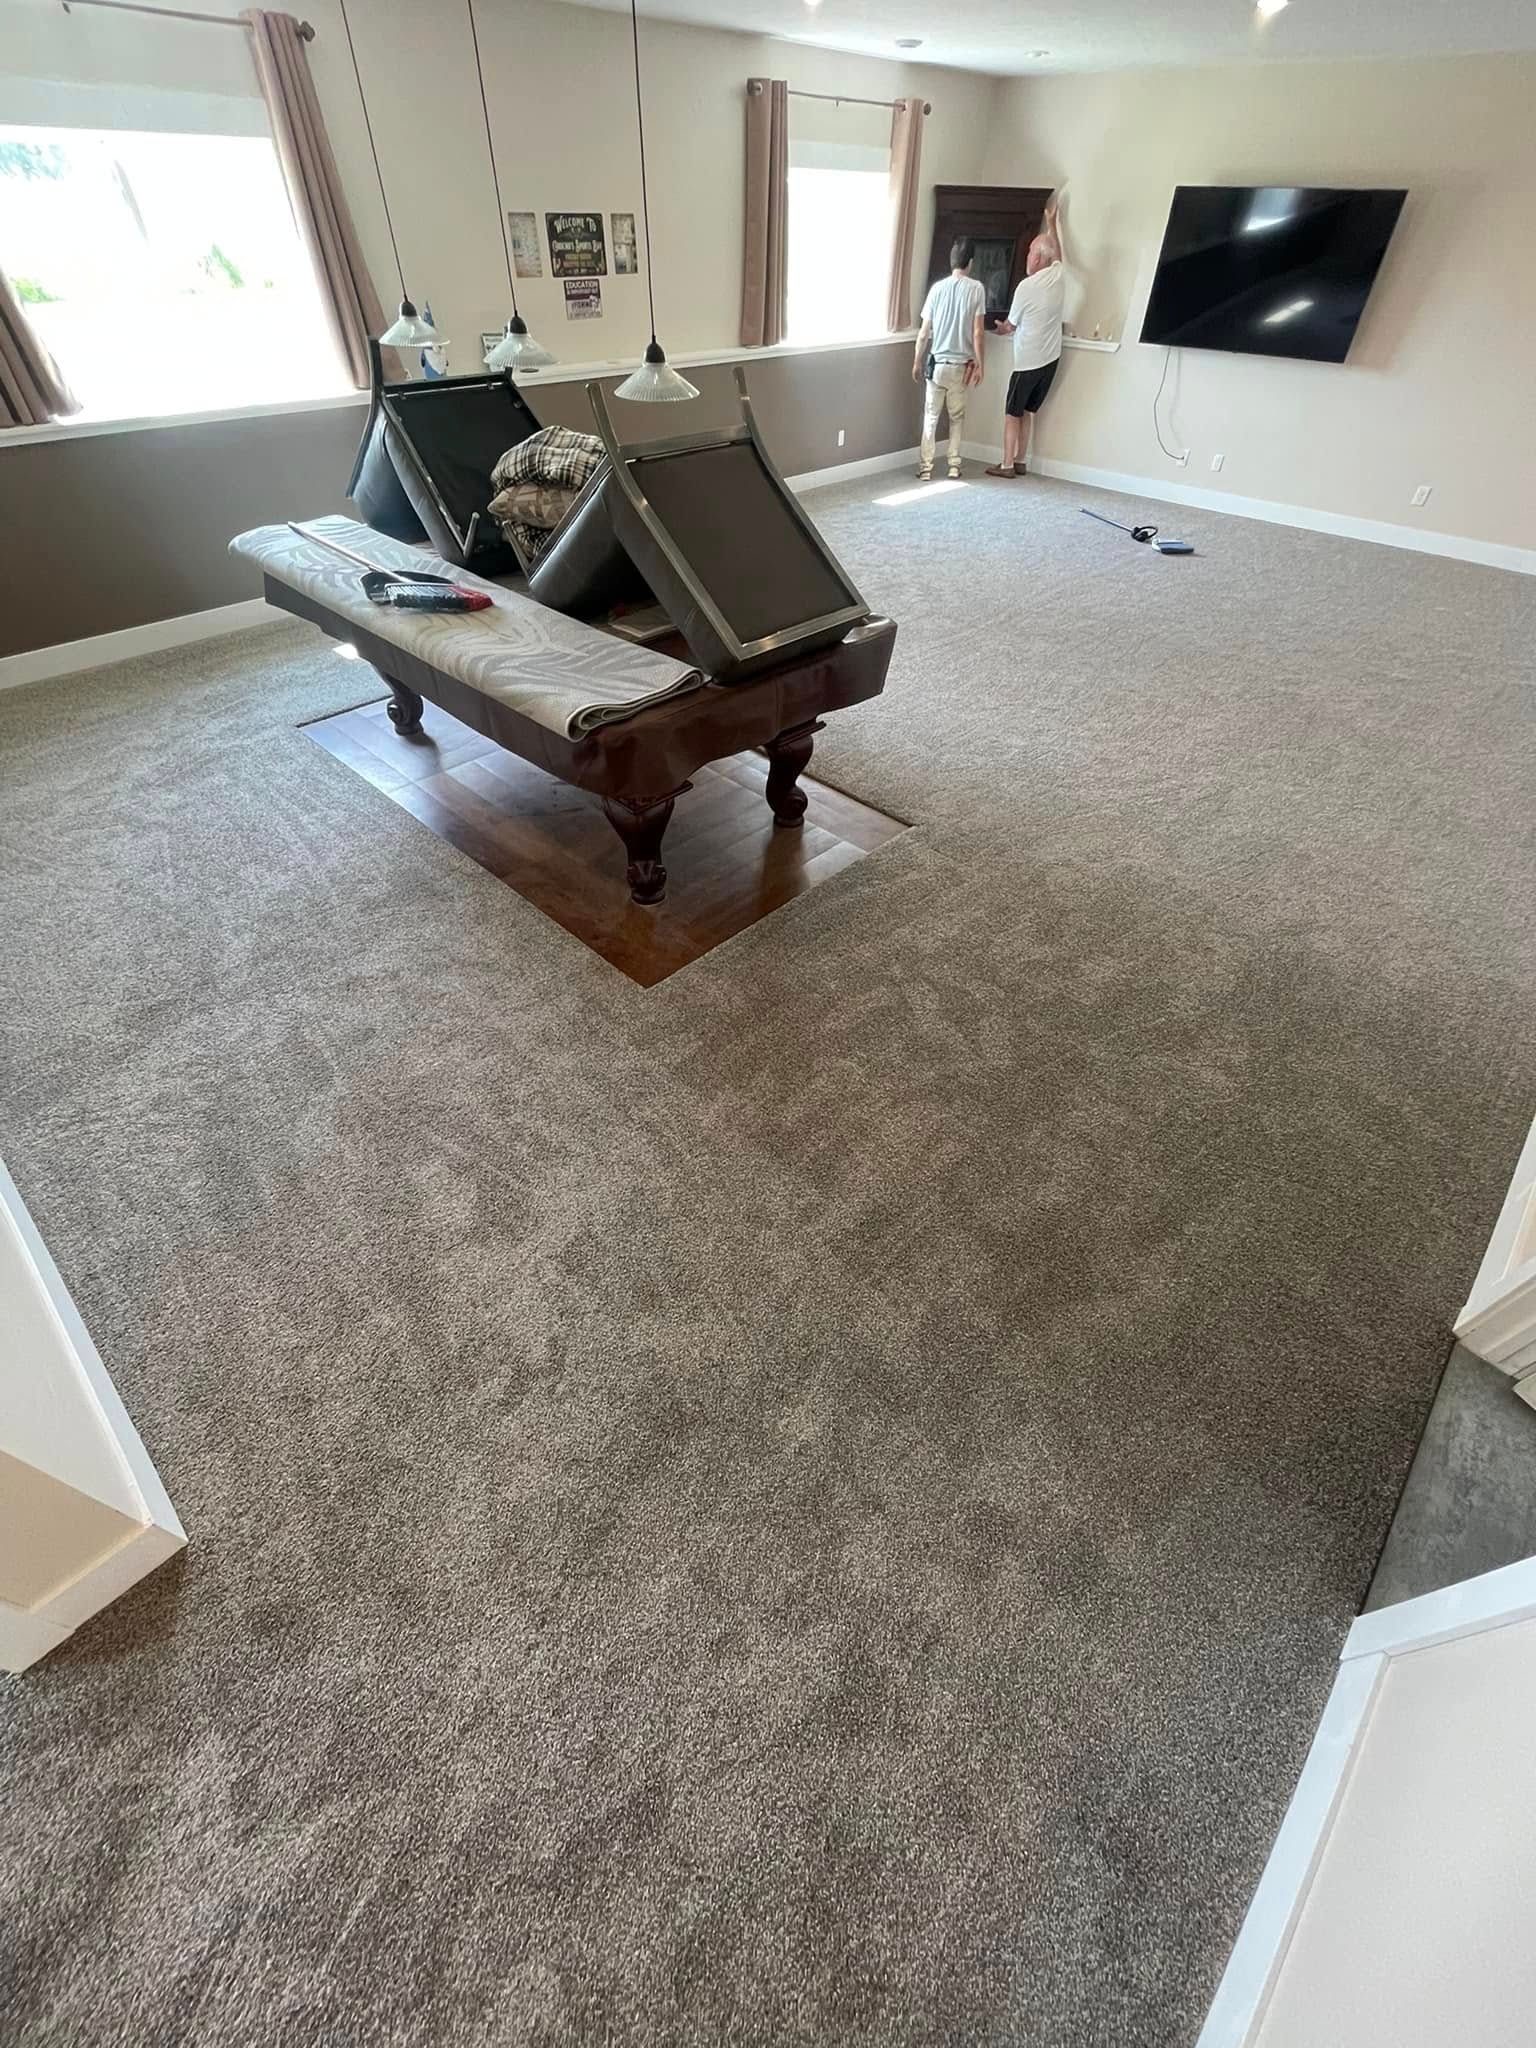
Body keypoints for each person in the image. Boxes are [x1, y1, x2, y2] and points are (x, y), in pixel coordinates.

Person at [987, 195, 1066, 479]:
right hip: (1051, 360)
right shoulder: (1058, 275)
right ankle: (1021, 460)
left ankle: (1007, 464)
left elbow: (1009, 326)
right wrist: (1053, 222)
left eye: (1031, 251)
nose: (1027, 256)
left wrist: (994, 327)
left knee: (1012, 413)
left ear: (1039, 259)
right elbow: (1058, 252)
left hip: (1028, 362)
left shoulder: (1027, 287)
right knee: (1029, 411)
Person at [912, 238, 986, 483]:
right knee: (956, 418)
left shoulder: (937, 289)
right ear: (971, 263)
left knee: (930, 417)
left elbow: (924, 332)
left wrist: (917, 360)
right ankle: (954, 465)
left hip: (936, 365)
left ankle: (926, 467)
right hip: (959, 367)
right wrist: (980, 362)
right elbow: (977, 331)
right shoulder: (976, 289)